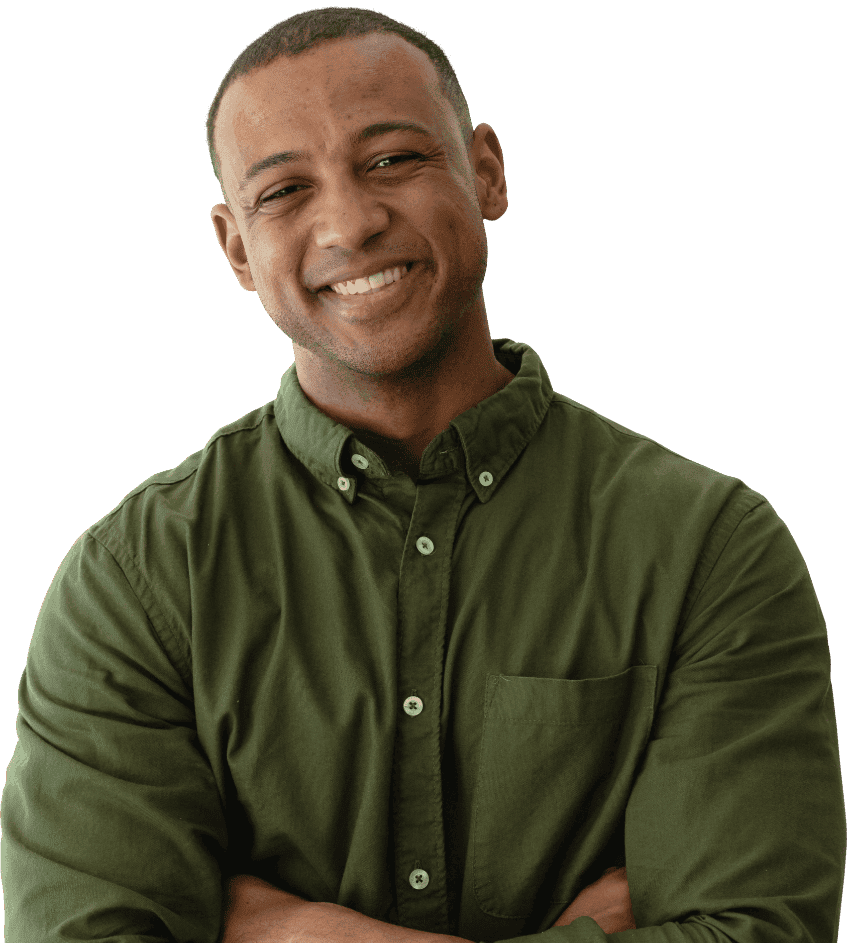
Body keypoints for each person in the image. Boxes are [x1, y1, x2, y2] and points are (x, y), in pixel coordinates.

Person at [2, 7, 844, 941]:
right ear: (236, 247)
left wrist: (292, 933)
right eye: (283, 191)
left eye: (392, 159)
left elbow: (759, 930)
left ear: (485, 171)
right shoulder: (136, 580)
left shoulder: (708, 549)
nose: (350, 222)